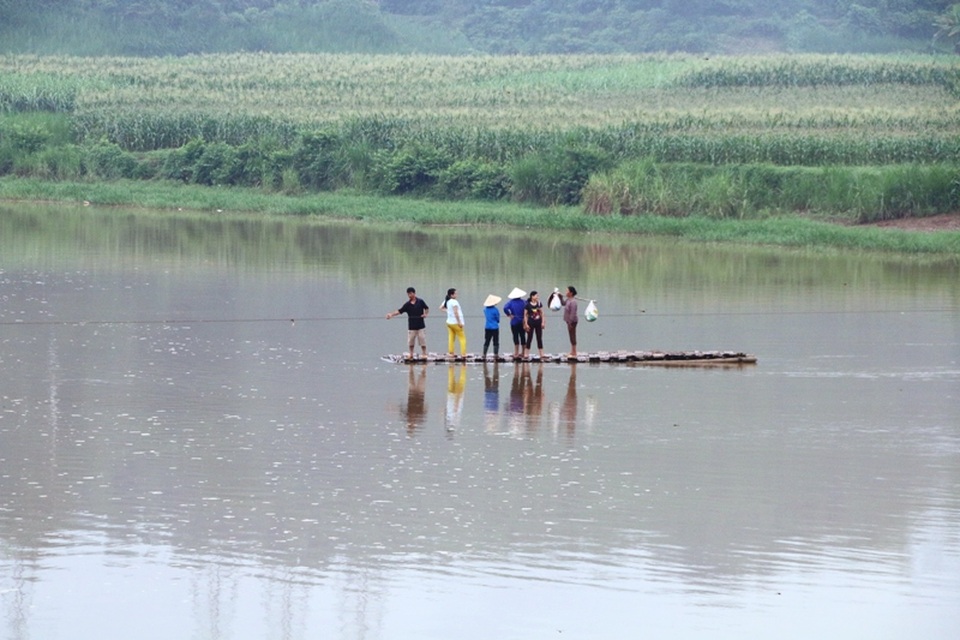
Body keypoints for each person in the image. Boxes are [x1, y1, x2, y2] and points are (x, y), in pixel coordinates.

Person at [386, 286, 429, 360]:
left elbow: (426, 308)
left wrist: (425, 314)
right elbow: (399, 311)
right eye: (408, 294)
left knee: (422, 341)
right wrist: (391, 315)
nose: (409, 295)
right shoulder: (407, 304)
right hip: (412, 326)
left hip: (421, 326)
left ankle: (424, 353)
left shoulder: (420, 301)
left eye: (411, 293)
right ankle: (411, 354)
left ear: (414, 293)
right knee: (411, 342)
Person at [503, 287, 527, 359]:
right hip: (523, 321)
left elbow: (505, 308)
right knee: (523, 336)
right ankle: (523, 352)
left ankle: (516, 352)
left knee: (515, 336)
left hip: (514, 321)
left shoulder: (510, 302)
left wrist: (509, 314)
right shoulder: (524, 302)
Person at [442, 287, 466, 357]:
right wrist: (459, 322)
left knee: (451, 338)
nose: (456, 295)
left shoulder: (447, 301)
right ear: (451, 295)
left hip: (449, 322)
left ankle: (451, 352)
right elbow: (456, 312)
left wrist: (448, 311)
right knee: (462, 338)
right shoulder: (454, 302)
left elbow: (441, 308)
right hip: (455, 323)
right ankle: (463, 353)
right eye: (455, 294)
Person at [523, 290, 545, 360]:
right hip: (530, 323)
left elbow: (542, 313)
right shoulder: (527, 305)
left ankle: (541, 354)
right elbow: (525, 315)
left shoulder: (539, 303)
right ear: (532, 296)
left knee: (539, 338)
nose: (537, 297)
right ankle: (526, 354)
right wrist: (526, 324)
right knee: (529, 338)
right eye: (536, 295)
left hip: (538, 322)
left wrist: (543, 322)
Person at [561, 285, 579, 358]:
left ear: (571, 293)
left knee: (572, 335)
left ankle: (574, 352)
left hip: (572, 321)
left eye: (567, 291)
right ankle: (572, 351)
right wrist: (560, 297)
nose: (566, 292)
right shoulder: (568, 300)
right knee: (571, 335)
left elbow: (573, 313)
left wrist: (570, 322)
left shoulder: (573, 302)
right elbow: (563, 303)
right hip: (568, 321)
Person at [482, 293, 502, 359]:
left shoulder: (485, 310)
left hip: (487, 327)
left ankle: (484, 354)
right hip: (495, 327)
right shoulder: (495, 310)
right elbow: (498, 319)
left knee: (487, 340)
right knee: (495, 341)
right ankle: (496, 354)